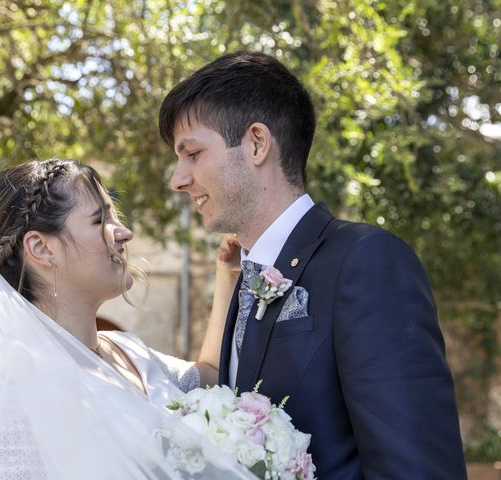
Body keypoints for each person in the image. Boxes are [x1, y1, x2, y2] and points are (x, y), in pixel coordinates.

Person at [159, 50, 467, 479]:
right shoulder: (241, 281)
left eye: (192, 154)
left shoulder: (366, 260)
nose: (177, 179)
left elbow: (417, 468)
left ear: (256, 143)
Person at [0, 159, 253, 479]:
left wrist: (227, 276)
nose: (125, 233)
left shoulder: (129, 350)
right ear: (40, 248)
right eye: (101, 221)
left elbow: (207, 377)